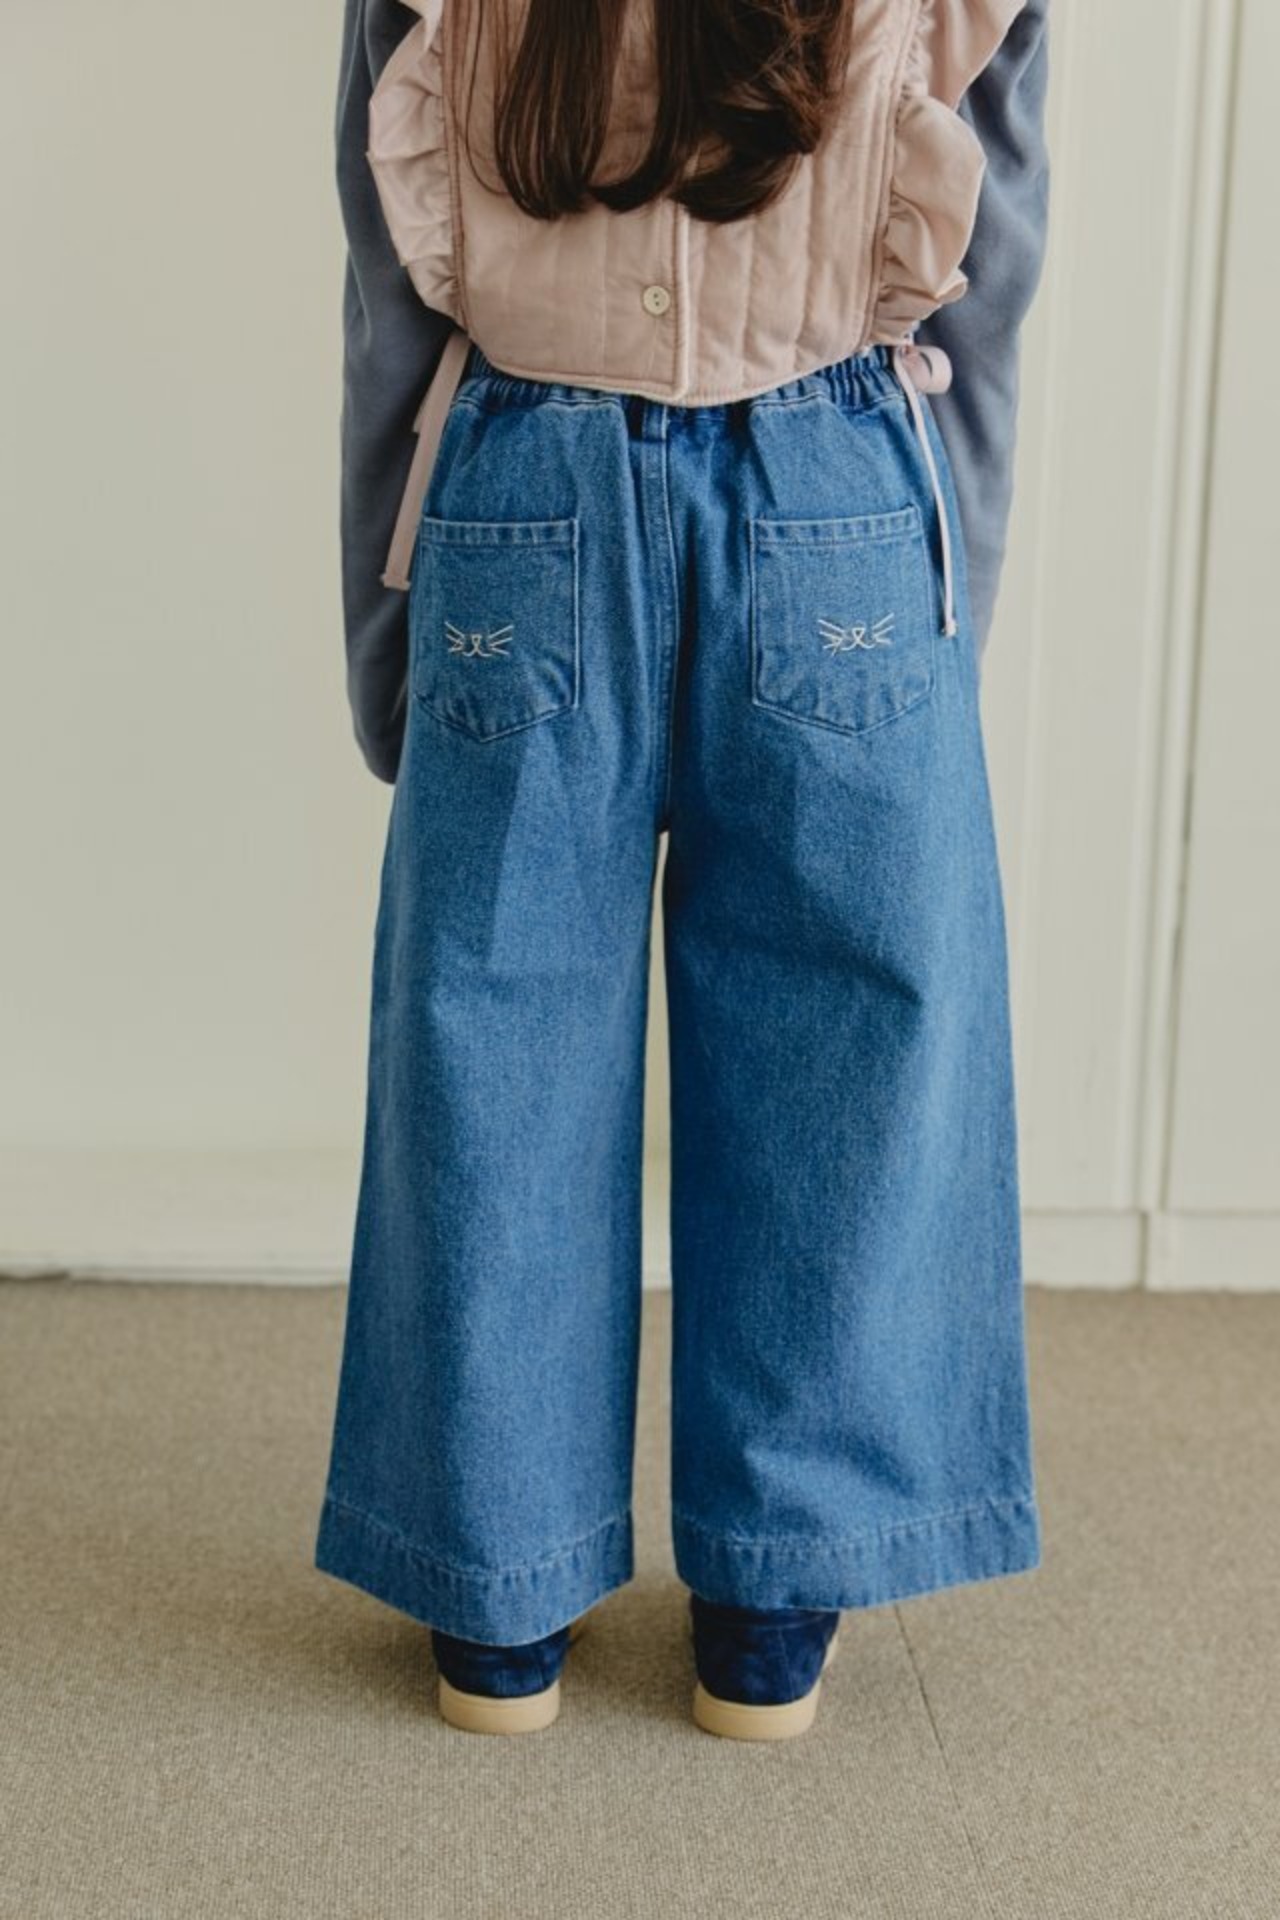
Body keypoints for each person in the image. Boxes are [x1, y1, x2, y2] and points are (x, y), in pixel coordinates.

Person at [315, 0, 1051, 1742]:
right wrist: (950, 609)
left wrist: (382, 644)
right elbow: (994, 271)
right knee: (847, 1039)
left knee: (489, 1031)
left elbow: (386, 303)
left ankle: (496, 1601)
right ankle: (774, 1606)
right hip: (836, 487)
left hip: (521, 487)